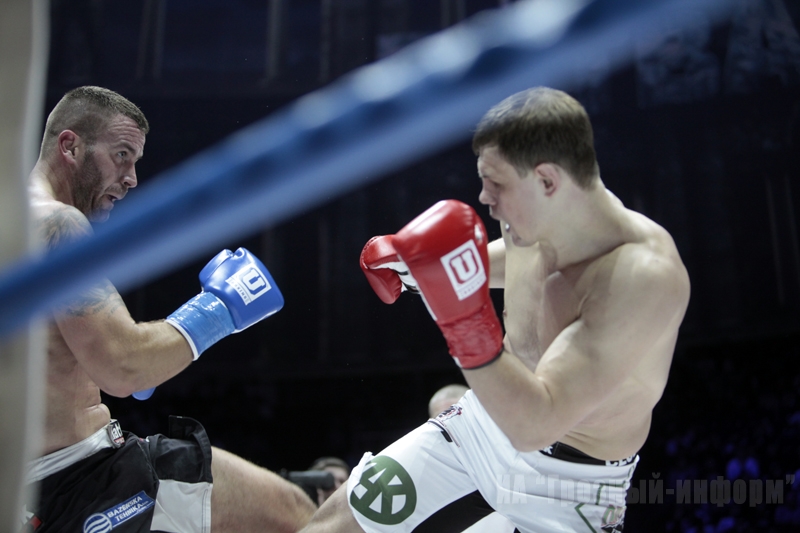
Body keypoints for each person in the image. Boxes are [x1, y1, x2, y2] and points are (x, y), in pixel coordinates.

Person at [303, 86, 691, 532]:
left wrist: (463, 319)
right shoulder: (533, 217)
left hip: (568, 484)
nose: (485, 199)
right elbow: (522, 262)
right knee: (330, 526)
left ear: (547, 180)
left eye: (497, 185)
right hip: (481, 428)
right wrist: (422, 273)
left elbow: (537, 422)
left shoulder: (640, 278)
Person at [23, 86, 316, 532]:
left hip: (29, 489)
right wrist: (219, 307)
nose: (131, 178)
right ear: (70, 146)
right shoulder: (57, 224)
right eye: (121, 155)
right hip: (85, 477)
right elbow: (124, 367)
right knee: (292, 512)